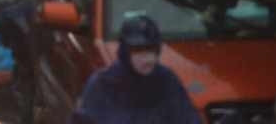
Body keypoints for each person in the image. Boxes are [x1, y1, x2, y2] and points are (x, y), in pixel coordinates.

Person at [71, 14, 199, 124]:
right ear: (125, 51)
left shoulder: (167, 80)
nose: (147, 59)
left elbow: (188, 118)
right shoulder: (102, 84)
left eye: (151, 50)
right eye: (138, 51)